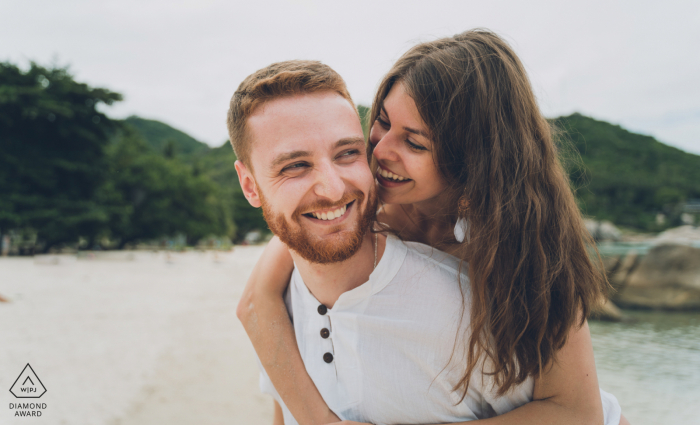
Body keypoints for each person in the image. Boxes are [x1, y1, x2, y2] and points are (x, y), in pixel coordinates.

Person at [233, 33, 627, 425]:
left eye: (414, 143)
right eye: (383, 122)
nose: (381, 150)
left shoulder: (524, 246)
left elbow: (579, 412)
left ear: (469, 160)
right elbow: (255, 301)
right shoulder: (356, 204)